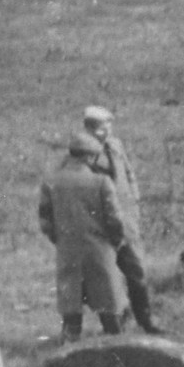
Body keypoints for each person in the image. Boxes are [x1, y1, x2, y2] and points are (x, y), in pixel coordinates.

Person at [38, 131, 128, 341]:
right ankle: (118, 348)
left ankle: (68, 349)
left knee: (71, 308)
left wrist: (60, 240)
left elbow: (45, 220)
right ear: (90, 157)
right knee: (109, 306)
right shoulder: (101, 182)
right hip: (99, 252)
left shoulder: (52, 182)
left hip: (68, 251)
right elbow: (115, 220)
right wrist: (116, 243)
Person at [83, 106, 160, 334]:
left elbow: (128, 174)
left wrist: (134, 201)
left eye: (108, 127)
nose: (105, 133)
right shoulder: (84, 153)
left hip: (127, 222)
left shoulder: (116, 145)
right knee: (108, 278)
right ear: (88, 129)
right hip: (103, 226)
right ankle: (118, 323)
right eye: (99, 129)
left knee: (138, 273)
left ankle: (146, 320)